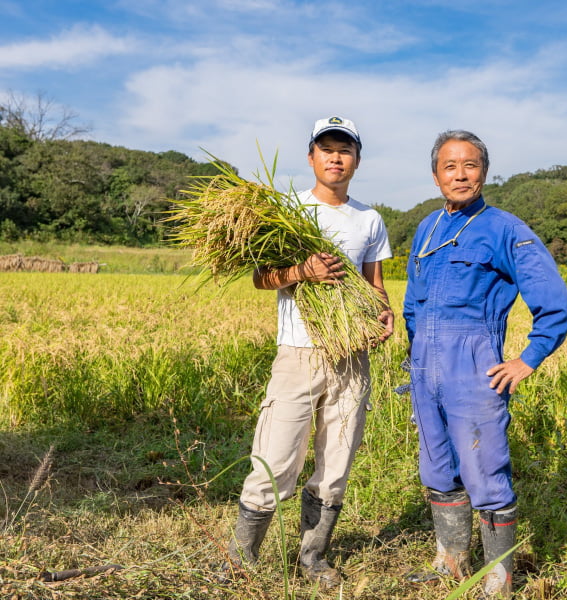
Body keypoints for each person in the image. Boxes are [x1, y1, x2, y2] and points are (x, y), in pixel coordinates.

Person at [225, 116, 393, 589]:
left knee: (336, 461)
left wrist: (385, 315)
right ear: (311, 157)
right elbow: (262, 278)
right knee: (276, 459)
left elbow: (374, 285)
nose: (336, 157)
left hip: (351, 355)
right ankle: (242, 558)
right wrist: (302, 270)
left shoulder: (369, 219)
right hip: (298, 354)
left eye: (345, 150)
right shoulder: (287, 212)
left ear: (357, 160)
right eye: (327, 148)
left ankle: (313, 557)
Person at [402, 130, 567, 598]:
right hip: (424, 366)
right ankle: (451, 564)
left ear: (484, 172)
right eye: (450, 166)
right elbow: (413, 302)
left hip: (473, 363)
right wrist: (414, 354)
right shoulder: (427, 227)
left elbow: (553, 302)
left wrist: (528, 359)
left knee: (485, 471)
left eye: (470, 165)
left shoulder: (505, 229)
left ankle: (497, 581)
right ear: (436, 174)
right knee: (437, 469)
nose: (460, 174)